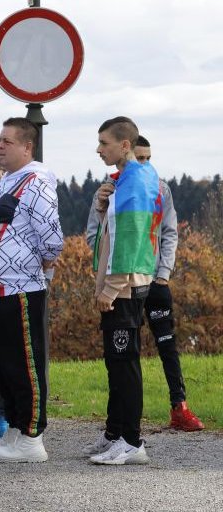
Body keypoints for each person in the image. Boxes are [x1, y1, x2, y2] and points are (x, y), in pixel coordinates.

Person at [84, 135, 204, 432]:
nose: (145, 164)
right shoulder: (110, 189)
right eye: (140, 158)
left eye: (148, 158)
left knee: (167, 344)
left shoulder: (159, 188)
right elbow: (94, 236)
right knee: (122, 355)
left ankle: (180, 407)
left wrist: (162, 273)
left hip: (153, 279)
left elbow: (169, 232)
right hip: (125, 281)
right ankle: (117, 430)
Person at [0, 118, 63, 464]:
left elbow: (52, 238)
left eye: (7, 141)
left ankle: (32, 438)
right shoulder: (4, 183)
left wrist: (36, 264)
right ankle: (15, 428)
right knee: (3, 364)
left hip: (22, 286)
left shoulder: (36, 181)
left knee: (24, 364)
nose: (0, 146)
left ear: (27, 147)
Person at [83, 117, 160, 465]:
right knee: (116, 363)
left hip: (126, 287)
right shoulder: (128, 179)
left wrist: (111, 288)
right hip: (126, 284)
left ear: (124, 145)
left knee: (125, 364)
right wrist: (102, 207)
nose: (99, 149)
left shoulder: (134, 181)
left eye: (104, 143)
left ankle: (131, 441)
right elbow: (113, 232)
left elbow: (129, 240)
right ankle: (115, 433)